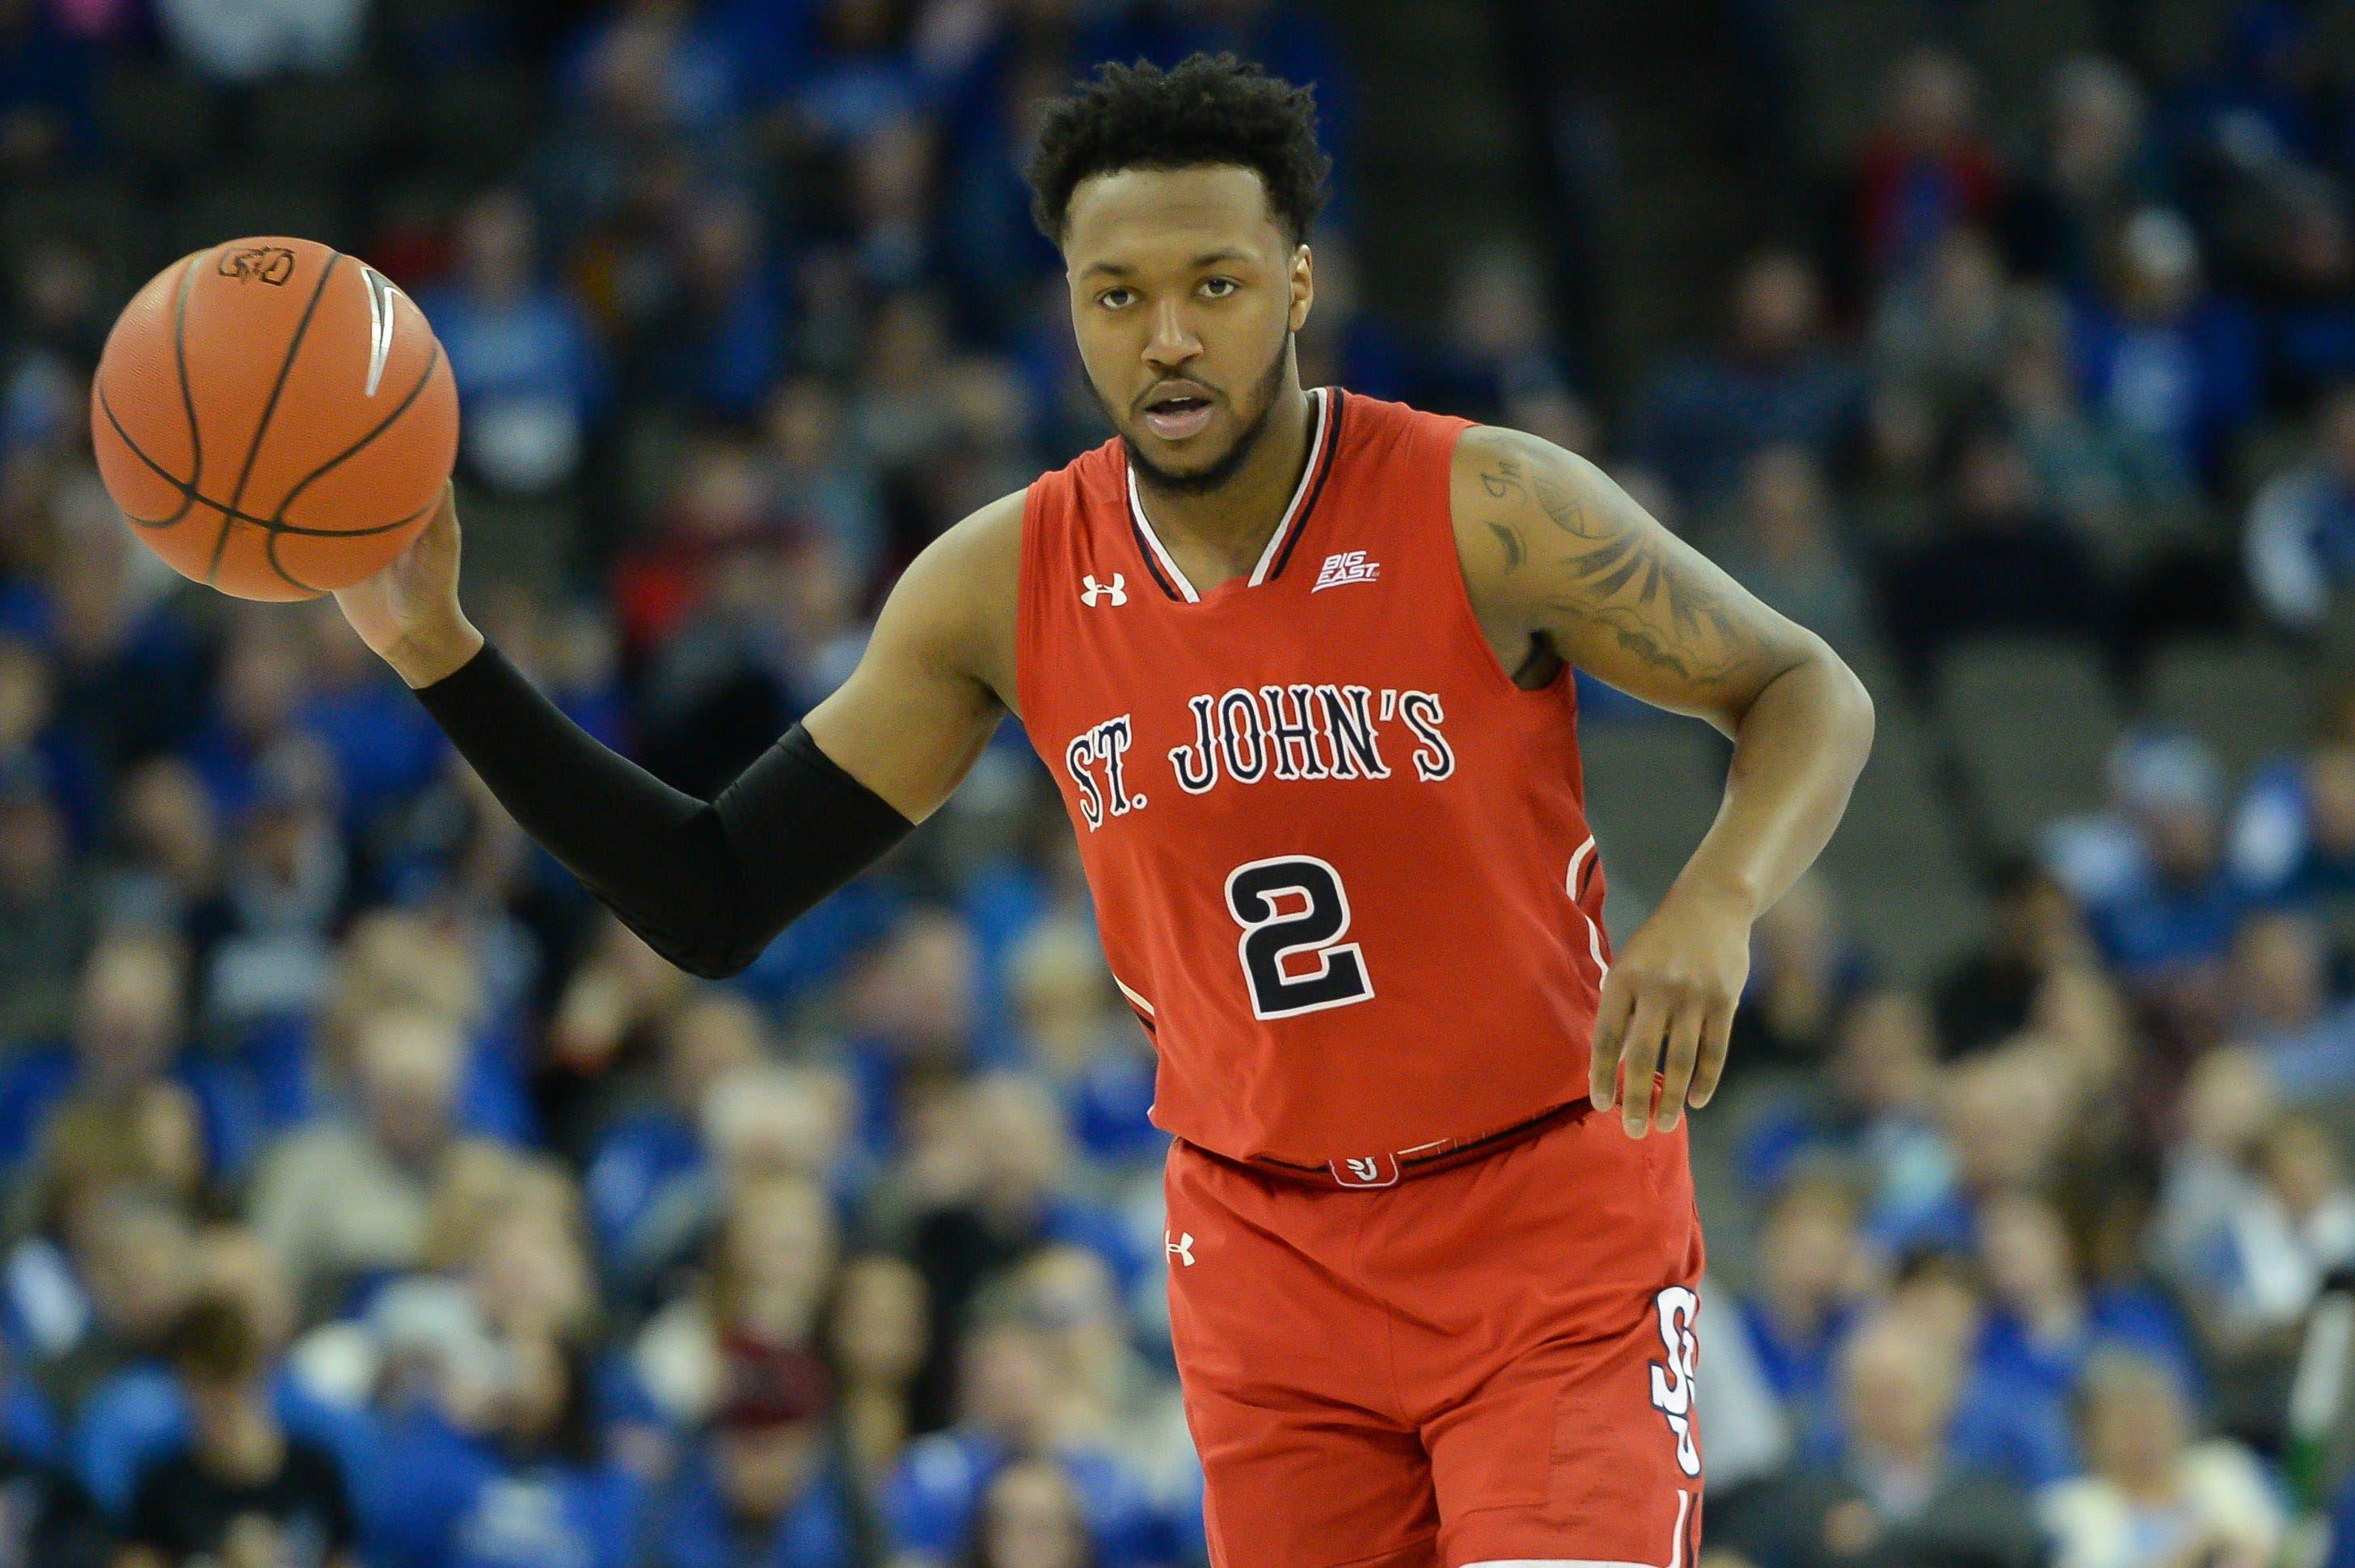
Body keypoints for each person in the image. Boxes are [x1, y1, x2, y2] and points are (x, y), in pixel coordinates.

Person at [331, 53, 1875, 1568]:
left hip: (1544, 1223)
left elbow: (1806, 689)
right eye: (1115, 295)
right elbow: (713, 891)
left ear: (1295, 284)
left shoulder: (1486, 506)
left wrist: (1717, 900)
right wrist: (441, 657)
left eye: (1213, 283)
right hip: (1265, 1262)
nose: (1167, 338)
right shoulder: (1001, 582)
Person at [117, 1293, 357, 1568]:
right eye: (201, 1390)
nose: (218, 1405)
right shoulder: (163, 1486)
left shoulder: (316, 1473)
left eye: (229, 1384)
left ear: (259, 1376)